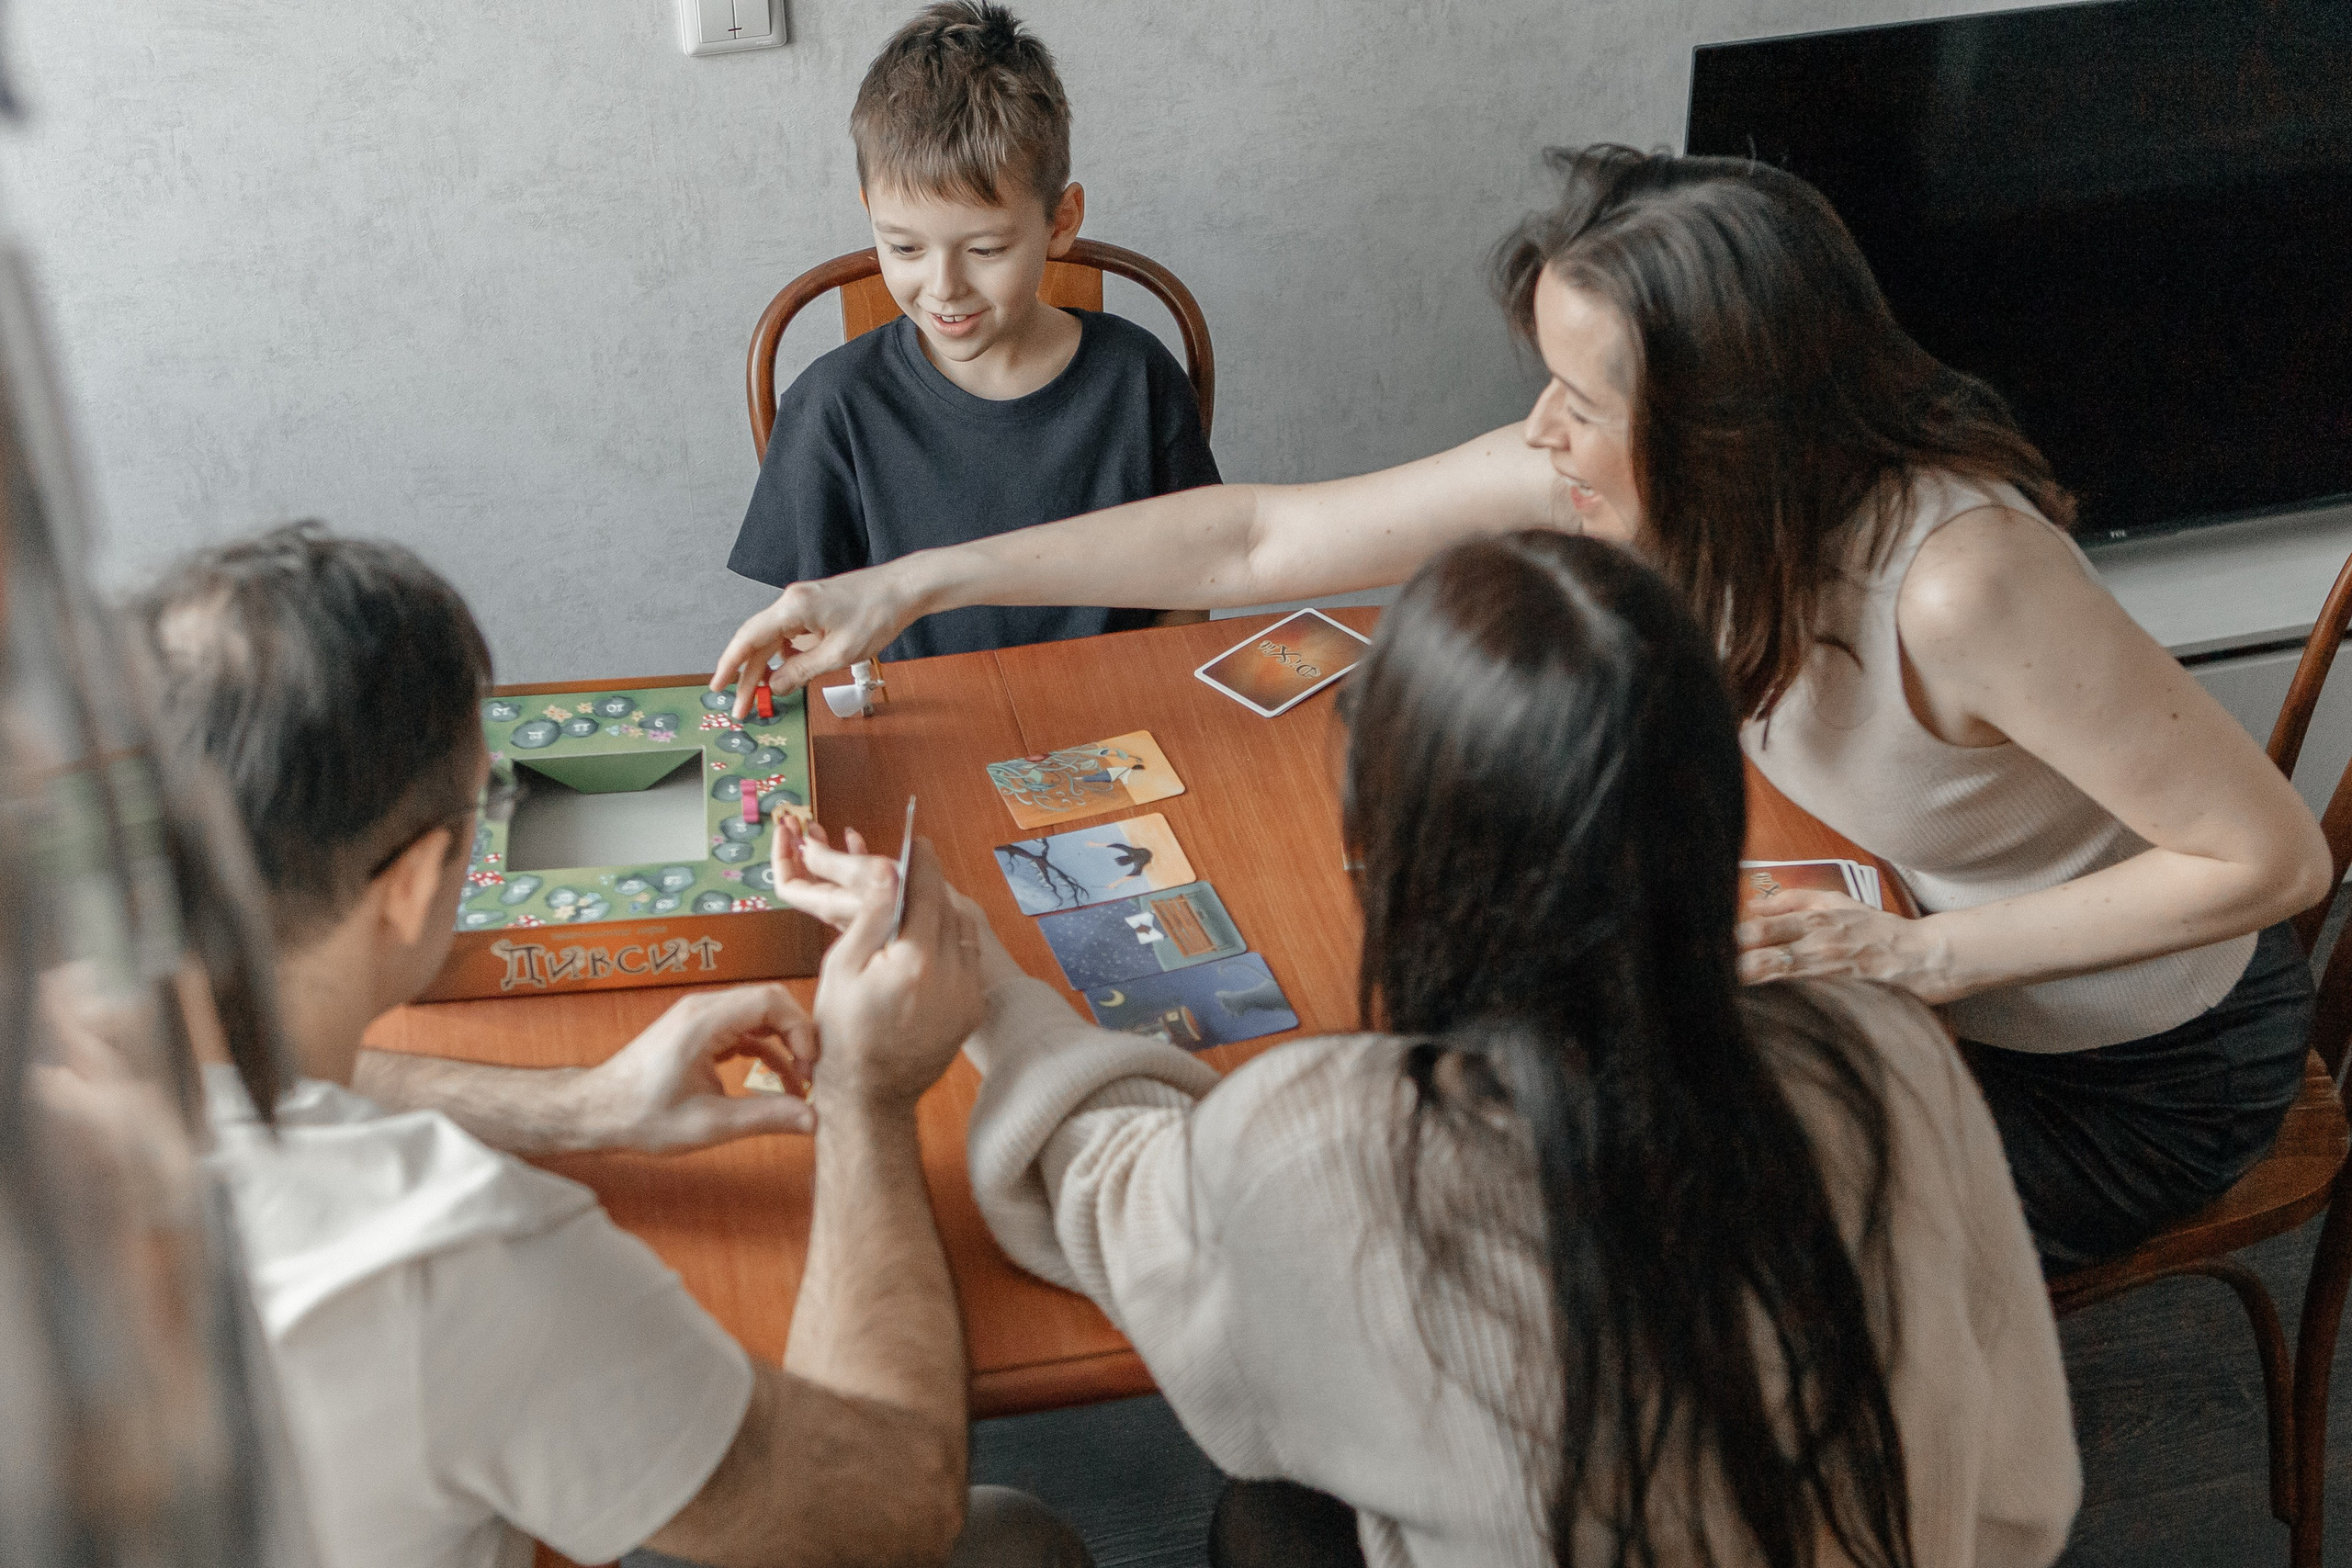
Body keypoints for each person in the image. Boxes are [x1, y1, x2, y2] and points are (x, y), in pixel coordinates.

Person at [716, 145, 2332, 1271]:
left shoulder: (1960, 577)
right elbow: (1255, 537)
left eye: (1586, 393)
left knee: (1619, 1232)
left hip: (2121, 1063)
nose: (1540, 429)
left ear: (1728, 419)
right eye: (1545, 374)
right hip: (1891, 967)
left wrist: (1913, 955)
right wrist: (911, 579)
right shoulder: (1615, 472)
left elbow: (2271, 866)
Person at [774, 532, 2080, 1567]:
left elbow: (1124, 1195)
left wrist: (978, 966)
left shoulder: (1335, 1139)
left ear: (1398, 846)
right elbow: (2024, 1499)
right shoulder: (1884, 1041)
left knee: (1255, 1505)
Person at [138, 524, 1091, 1568]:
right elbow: (892, 1506)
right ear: (412, 887)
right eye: (483, 803)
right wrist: (868, 1093)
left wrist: (577, 1107)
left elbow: (252, 1071)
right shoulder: (454, 1254)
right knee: (1017, 1541)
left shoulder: (55, 1039)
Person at [725, 0, 1217, 685]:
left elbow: (1192, 588)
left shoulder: (1138, 378)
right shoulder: (832, 407)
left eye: (986, 248)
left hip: (1125, 727)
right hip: (924, 738)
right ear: (870, 214)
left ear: (1061, 220)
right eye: (903, 246)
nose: (944, 287)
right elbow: (819, 645)